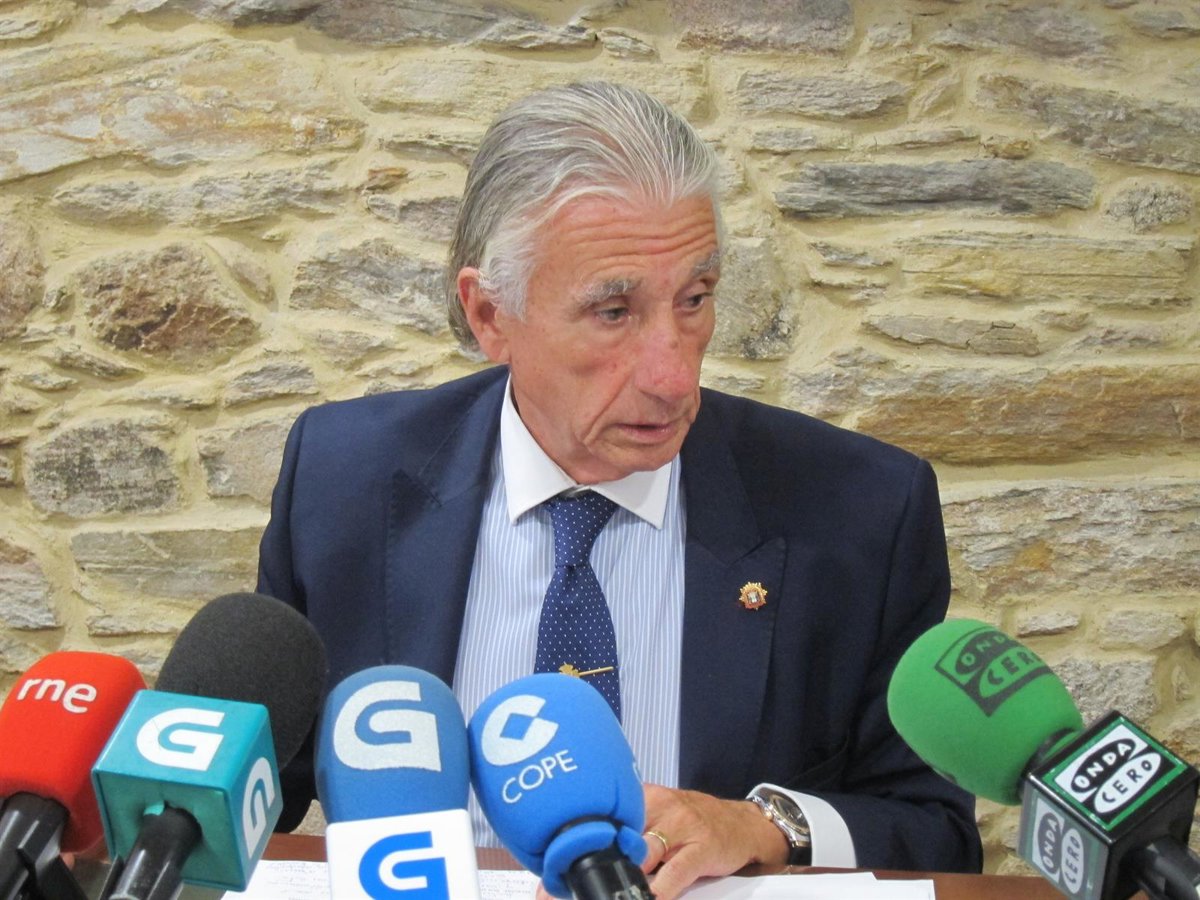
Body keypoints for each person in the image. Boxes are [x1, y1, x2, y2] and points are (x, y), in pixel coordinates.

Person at [257, 81, 981, 897]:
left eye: (694, 300)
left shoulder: (860, 509)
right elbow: (258, 788)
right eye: (613, 311)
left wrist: (764, 825)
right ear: (489, 315)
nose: (673, 376)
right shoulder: (342, 480)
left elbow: (938, 837)